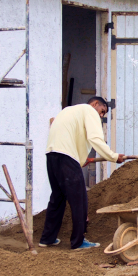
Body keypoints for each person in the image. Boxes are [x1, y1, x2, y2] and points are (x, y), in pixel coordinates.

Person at [41, 96, 126, 249]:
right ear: (95, 104)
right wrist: (113, 157)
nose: (101, 116)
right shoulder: (89, 110)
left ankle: (47, 239)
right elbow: (95, 138)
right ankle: (78, 242)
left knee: (57, 198)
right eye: (102, 111)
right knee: (79, 200)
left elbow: (76, 139)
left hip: (52, 156)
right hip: (66, 158)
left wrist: (80, 160)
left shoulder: (69, 111)